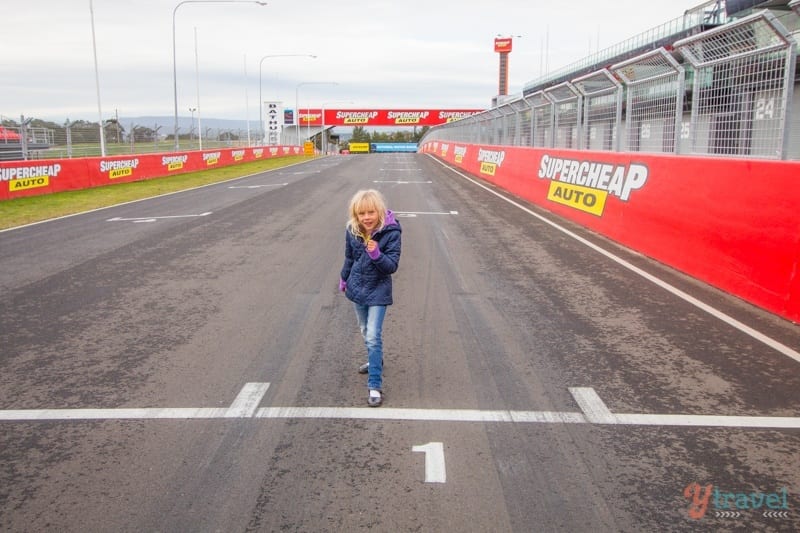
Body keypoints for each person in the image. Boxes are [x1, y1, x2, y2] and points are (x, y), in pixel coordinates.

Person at [339, 189, 402, 407]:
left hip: (378, 290)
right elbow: (349, 257)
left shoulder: (391, 232)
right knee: (365, 331)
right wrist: (344, 278)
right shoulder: (352, 230)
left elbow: (391, 266)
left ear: (380, 212)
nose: (366, 217)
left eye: (371, 212)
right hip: (357, 288)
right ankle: (376, 359)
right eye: (361, 214)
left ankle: (374, 384)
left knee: (374, 335)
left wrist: (376, 254)